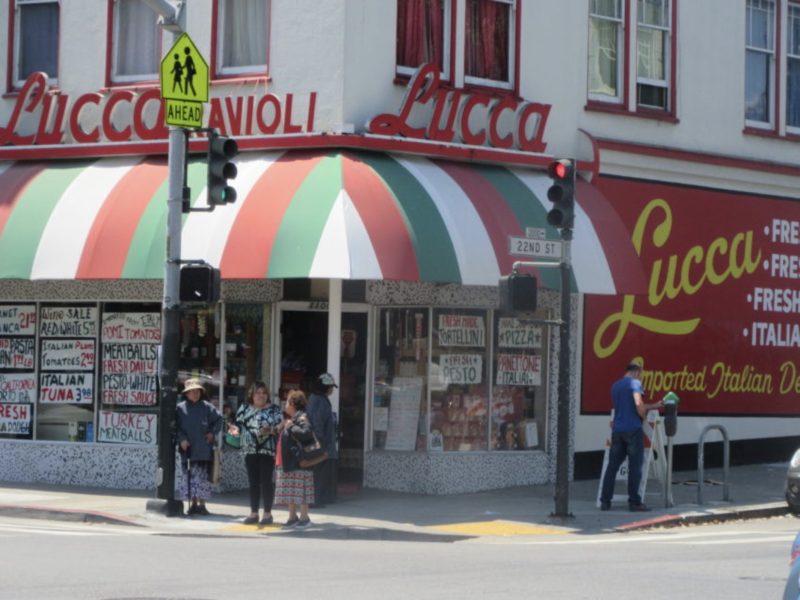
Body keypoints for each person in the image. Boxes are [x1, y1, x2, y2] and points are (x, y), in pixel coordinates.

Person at [599, 362, 663, 512]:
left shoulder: (615, 386)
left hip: (617, 430)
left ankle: (605, 501)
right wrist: (642, 415)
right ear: (636, 372)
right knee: (635, 467)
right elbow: (637, 402)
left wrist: (654, 405)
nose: (640, 377)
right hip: (633, 430)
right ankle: (634, 502)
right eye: (640, 374)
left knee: (612, 466)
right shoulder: (635, 383)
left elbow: (626, 405)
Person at [230, 381, 282, 525]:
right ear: (251, 395)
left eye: (264, 393)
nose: (261, 395)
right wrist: (234, 430)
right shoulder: (244, 408)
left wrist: (271, 430)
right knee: (253, 482)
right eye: (258, 393)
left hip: (267, 448)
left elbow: (281, 426)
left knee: (266, 481)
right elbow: (238, 425)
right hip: (249, 448)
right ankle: (253, 513)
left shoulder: (274, 409)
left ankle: (267, 513)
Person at [176, 378, 223, 516]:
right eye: (192, 392)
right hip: (188, 449)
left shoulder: (207, 407)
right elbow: (176, 427)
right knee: (189, 478)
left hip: (203, 449)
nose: (195, 394)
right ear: (186, 393)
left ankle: (202, 505)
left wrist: (212, 433)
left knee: (202, 479)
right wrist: (182, 439)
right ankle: (193, 504)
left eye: (197, 391)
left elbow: (219, 419)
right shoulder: (180, 408)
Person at [275, 390, 315, 528]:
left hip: (297, 461)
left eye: (287, 402)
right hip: (288, 460)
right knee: (290, 490)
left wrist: (291, 427)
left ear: (292, 403)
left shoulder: (302, 417)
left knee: (300, 490)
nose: (285, 405)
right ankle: (292, 517)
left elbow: (306, 433)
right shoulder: (292, 419)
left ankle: (305, 518)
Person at [307, 372, 338, 506]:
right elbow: (318, 423)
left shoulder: (315, 398)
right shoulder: (321, 401)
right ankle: (317, 499)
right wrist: (321, 444)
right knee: (320, 472)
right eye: (330, 386)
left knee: (319, 472)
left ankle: (319, 498)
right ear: (325, 387)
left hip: (319, 443)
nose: (331, 389)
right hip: (321, 444)